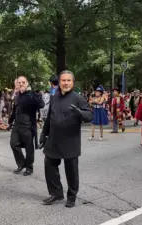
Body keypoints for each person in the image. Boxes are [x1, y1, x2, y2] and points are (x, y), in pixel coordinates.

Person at [39, 70, 93, 207]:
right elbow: (49, 118)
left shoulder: (78, 98)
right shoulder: (54, 97)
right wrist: (44, 134)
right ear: (59, 82)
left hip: (70, 140)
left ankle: (71, 196)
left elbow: (89, 116)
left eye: (69, 80)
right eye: (63, 80)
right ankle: (56, 193)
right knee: (49, 165)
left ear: (73, 82)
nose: (66, 83)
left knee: (71, 170)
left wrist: (80, 112)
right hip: (54, 139)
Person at [9, 76, 44, 176]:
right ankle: (21, 163)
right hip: (17, 124)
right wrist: (10, 121)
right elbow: (15, 110)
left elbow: (41, 104)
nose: (21, 84)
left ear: (27, 83)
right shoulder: (17, 96)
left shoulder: (31, 95)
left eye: (23, 82)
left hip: (28, 125)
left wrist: (34, 94)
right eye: (19, 82)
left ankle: (29, 167)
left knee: (29, 147)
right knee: (14, 144)